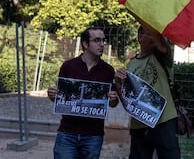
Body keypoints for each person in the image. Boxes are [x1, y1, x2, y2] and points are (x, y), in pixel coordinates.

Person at [47, 27, 119, 159]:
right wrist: (53, 96)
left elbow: (113, 103)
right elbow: (59, 99)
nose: (102, 44)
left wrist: (113, 99)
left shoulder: (108, 70)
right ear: (85, 44)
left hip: (93, 135)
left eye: (103, 40)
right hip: (67, 132)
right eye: (97, 40)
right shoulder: (68, 66)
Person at [114, 23, 180, 159]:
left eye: (156, 35)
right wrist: (118, 83)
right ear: (140, 37)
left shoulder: (163, 56)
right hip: (139, 124)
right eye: (150, 34)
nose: (154, 38)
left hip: (164, 121)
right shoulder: (131, 64)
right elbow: (126, 101)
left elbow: (161, 43)